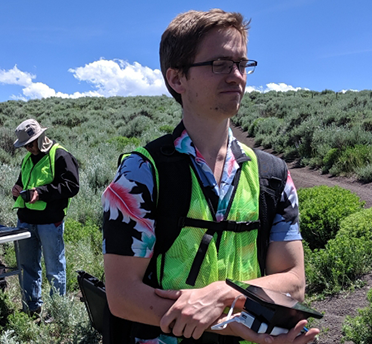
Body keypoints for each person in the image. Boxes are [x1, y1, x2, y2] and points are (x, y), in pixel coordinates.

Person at [102, 9, 319, 344]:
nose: (236, 75)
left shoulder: (272, 175)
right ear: (177, 79)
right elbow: (123, 296)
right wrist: (231, 323)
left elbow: (293, 280)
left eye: (241, 63)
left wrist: (222, 295)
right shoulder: (141, 174)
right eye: (219, 64)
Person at [11, 118, 80, 316]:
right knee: (28, 267)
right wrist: (17, 190)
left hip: (50, 222)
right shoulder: (26, 159)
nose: (29, 149)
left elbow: (72, 186)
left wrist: (41, 192)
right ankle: (32, 308)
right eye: (25, 146)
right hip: (25, 221)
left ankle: (58, 312)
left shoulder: (60, 155)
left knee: (54, 268)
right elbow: (22, 182)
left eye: (30, 144)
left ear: (40, 137)